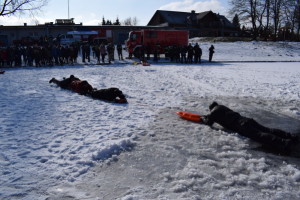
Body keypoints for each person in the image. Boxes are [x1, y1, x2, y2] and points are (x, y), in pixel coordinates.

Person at [202, 102, 299, 154]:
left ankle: (285, 143)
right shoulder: (222, 107)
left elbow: (208, 122)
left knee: (260, 135)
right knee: (267, 130)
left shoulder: (213, 112)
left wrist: (205, 117)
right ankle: (290, 136)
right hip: (246, 120)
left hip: (242, 125)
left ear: (211, 109)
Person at [49, 75, 127, 103]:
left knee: (68, 81)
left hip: (74, 79)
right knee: (60, 84)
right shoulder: (79, 85)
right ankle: (53, 79)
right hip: (69, 82)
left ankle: (65, 78)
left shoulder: (84, 84)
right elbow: (78, 90)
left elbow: (88, 88)